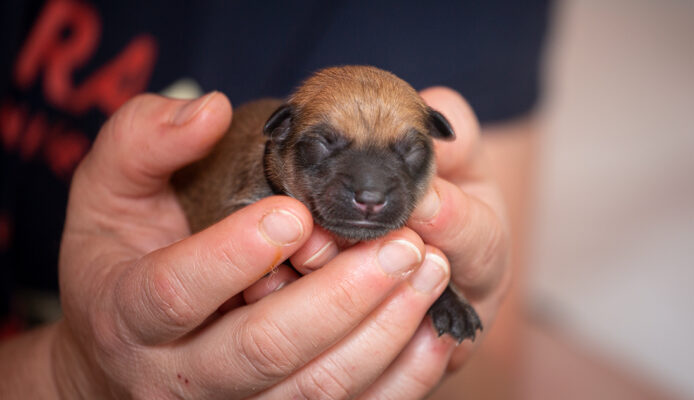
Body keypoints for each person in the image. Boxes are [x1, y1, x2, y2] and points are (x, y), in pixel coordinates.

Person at [0, 1, 549, 398]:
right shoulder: (256, 191)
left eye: (406, 154)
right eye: (324, 148)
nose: (371, 191)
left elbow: (493, 365)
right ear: (281, 138)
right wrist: (67, 377)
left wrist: (446, 299)